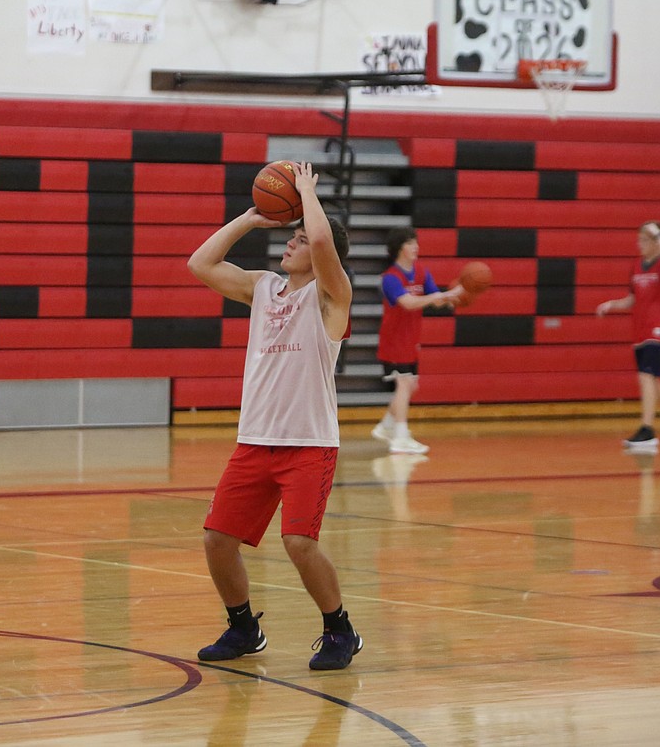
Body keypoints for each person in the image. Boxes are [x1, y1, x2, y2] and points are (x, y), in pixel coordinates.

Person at [187, 161, 362, 671]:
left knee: (298, 543)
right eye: (293, 236)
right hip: (255, 439)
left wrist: (308, 193)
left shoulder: (331, 296)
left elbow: (327, 249)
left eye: (301, 239)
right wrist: (249, 218)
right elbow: (200, 264)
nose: (291, 242)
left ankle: (339, 630)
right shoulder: (263, 288)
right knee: (217, 539)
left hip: (308, 442)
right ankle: (243, 628)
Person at [596, 220, 660, 449]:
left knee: (645, 375)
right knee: (652, 382)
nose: (638, 244)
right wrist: (611, 304)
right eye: (638, 239)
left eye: (643, 240)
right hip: (639, 330)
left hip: (656, 329)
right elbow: (633, 299)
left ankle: (647, 430)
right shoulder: (636, 266)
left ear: (655, 242)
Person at [371, 227, 461, 454]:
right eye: (410, 243)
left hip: (411, 338)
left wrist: (454, 296)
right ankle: (400, 437)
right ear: (399, 248)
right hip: (394, 340)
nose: (416, 247)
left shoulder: (421, 272)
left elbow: (436, 300)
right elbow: (408, 303)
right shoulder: (390, 278)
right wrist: (437, 296)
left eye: (416, 243)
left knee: (411, 385)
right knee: (403, 383)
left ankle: (386, 427)